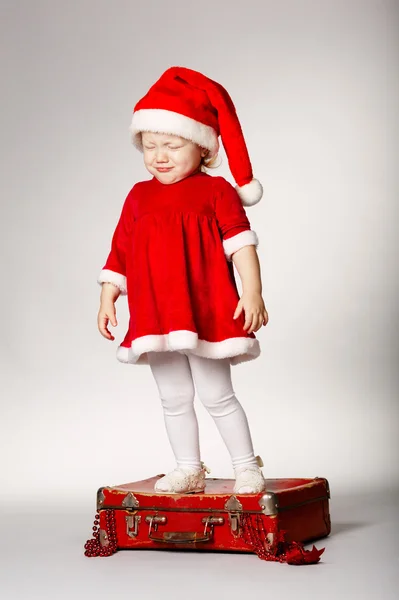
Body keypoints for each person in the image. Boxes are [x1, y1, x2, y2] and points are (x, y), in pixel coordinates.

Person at [97, 66, 269, 495]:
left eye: (172, 145)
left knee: (216, 395)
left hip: (205, 310)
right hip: (156, 313)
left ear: (203, 147)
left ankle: (247, 466)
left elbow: (242, 244)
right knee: (173, 398)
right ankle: (188, 467)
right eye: (150, 145)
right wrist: (108, 296)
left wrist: (252, 292)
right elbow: (119, 252)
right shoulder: (138, 196)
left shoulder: (217, 192)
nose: (160, 155)